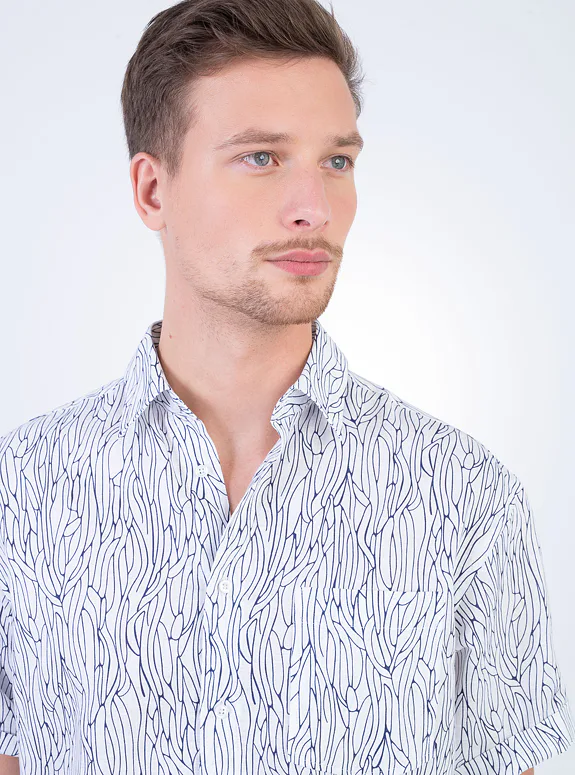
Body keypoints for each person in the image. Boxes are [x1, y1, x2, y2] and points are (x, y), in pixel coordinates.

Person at [0, 0, 573, 773]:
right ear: (152, 191)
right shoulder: (23, 490)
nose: (314, 209)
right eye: (261, 157)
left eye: (336, 162)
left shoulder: (464, 495)